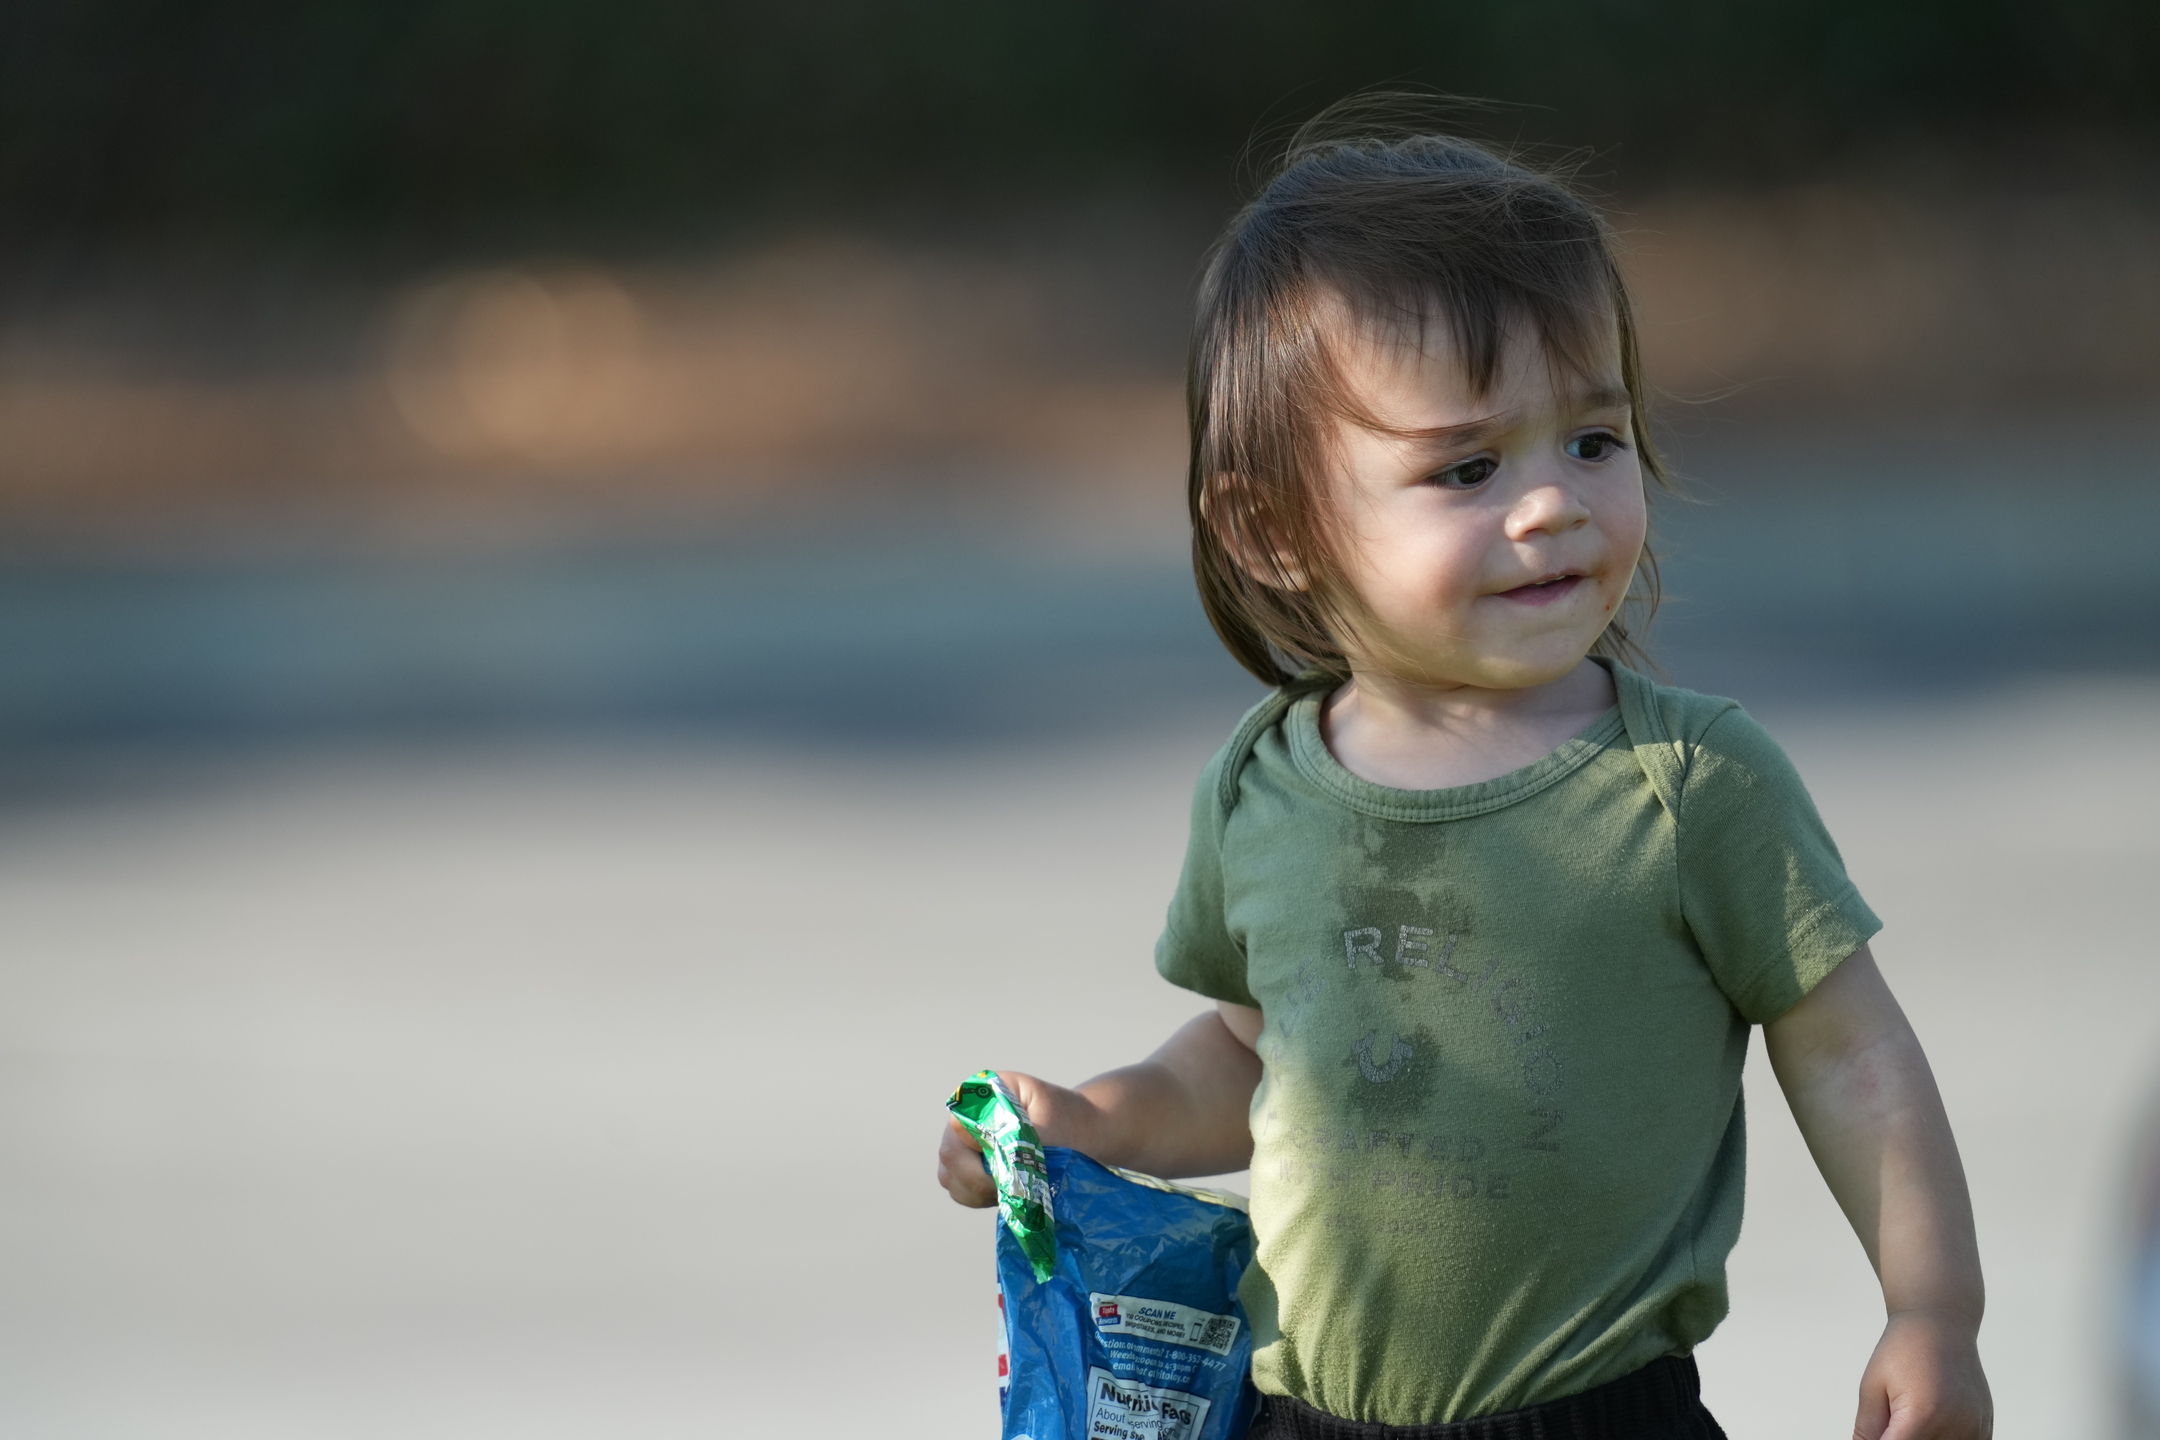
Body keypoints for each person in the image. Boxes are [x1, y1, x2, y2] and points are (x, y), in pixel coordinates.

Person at [936, 108, 1992, 1440]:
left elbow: (1852, 1056)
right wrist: (1094, 1119)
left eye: (1594, 441)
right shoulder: (1263, 791)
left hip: (1602, 1418)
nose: (1553, 503)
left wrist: (1932, 1310)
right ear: (1272, 529)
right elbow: (1256, 1065)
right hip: (1302, 1416)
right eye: (1470, 466)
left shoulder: (1688, 782)